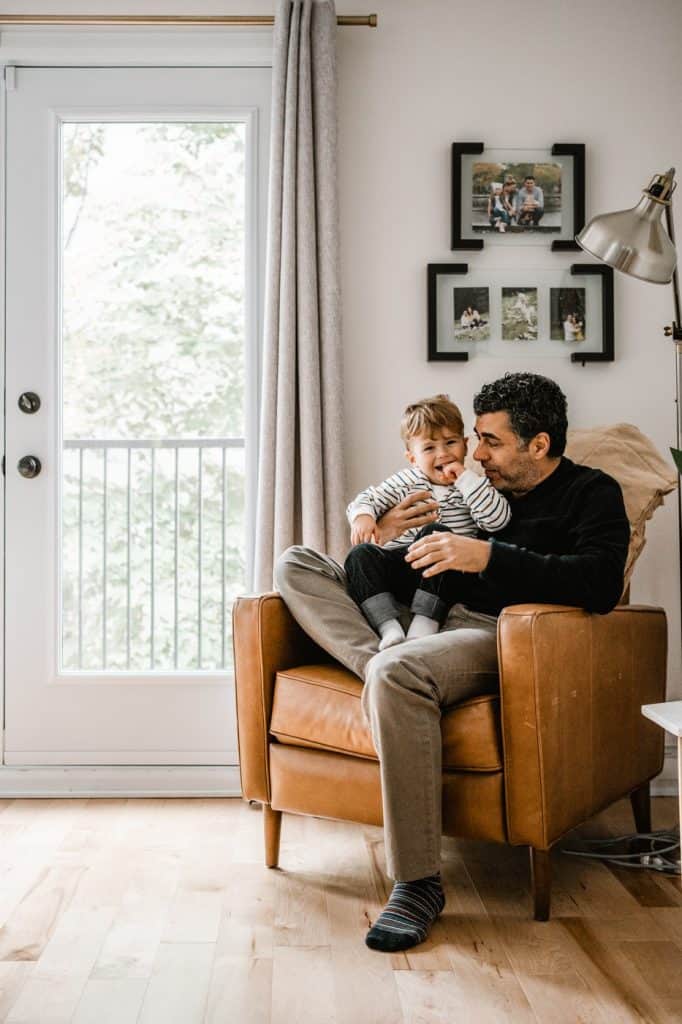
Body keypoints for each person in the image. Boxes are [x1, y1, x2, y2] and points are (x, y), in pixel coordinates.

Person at [275, 372, 630, 953]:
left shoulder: (590, 492)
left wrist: (488, 555)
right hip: (423, 618)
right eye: (476, 439)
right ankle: (383, 663)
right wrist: (384, 532)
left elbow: (598, 583)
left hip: (500, 632)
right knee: (296, 563)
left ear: (538, 444)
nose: (472, 452)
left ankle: (417, 883)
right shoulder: (456, 487)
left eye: (490, 441)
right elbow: (395, 560)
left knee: (400, 671)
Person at [344, 395, 511, 650]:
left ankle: (424, 625)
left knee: (436, 533)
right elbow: (368, 498)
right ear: (412, 457)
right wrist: (363, 517)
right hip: (404, 568)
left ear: (465, 445)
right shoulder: (405, 482)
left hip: (446, 576)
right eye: (429, 448)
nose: (443, 454)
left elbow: (497, 520)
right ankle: (388, 628)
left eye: (451, 442)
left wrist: (465, 480)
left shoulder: (474, 485)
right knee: (360, 554)